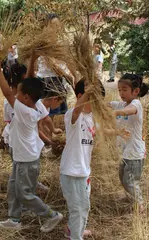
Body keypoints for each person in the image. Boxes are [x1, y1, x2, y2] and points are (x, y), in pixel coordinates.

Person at [0, 58, 63, 232]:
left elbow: (6, 94)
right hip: (22, 157)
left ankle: (52, 215)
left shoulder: (24, 110)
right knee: (13, 188)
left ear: (25, 97)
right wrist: (33, 56)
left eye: (18, 93)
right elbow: (28, 82)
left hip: (27, 161)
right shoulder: (34, 105)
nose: (15, 94)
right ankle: (14, 220)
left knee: (25, 194)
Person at [60, 80, 95, 240]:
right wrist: (89, 91)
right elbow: (75, 112)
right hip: (73, 172)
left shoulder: (92, 117)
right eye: (93, 98)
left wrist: (117, 132)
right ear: (81, 96)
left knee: (82, 206)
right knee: (79, 209)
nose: (97, 103)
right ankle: (76, 236)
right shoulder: (73, 115)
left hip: (84, 172)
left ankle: (73, 229)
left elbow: (103, 130)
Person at [110, 73, 148, 213]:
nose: (121, 93)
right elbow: (108, 104)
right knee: (123, 176)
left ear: (136, 91)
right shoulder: (120, 104)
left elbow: (128, 111)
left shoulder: (135, 104)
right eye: (119, 89)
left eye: (124, 89)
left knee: (130, 181)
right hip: (126, 151)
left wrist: (115, 113)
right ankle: (131, 197)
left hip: (135, 152)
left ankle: (140, 205)